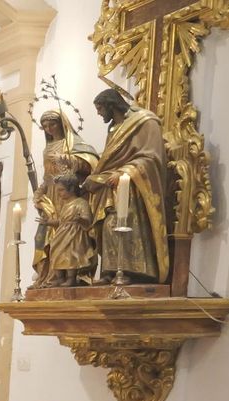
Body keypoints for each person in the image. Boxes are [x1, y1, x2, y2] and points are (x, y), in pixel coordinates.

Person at [83, 89, 169, 285]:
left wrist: (125, 172)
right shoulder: (113, 129)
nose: (98, 113)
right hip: (110, 188)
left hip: (133, 189)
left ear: (111, 105)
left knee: (124, 225)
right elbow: (108, 162)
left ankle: (132, 270)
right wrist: (96, 179)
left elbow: (152, 157)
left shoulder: (145, 121)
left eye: (100, 108)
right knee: (108, 227)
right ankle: (110, 270)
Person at [30, 110, 99, 288]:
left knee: (69, 238)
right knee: (44, 236)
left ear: (62, 124)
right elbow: (47, 176)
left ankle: (68, 277)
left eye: (52, 124)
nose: (49, 129)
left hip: (68, 193)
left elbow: (91, 164)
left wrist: (67, 159)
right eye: (45, 126)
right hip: (51, 195)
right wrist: (40, 192)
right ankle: (46, 276)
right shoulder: (47, 148)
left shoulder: (73, 143)